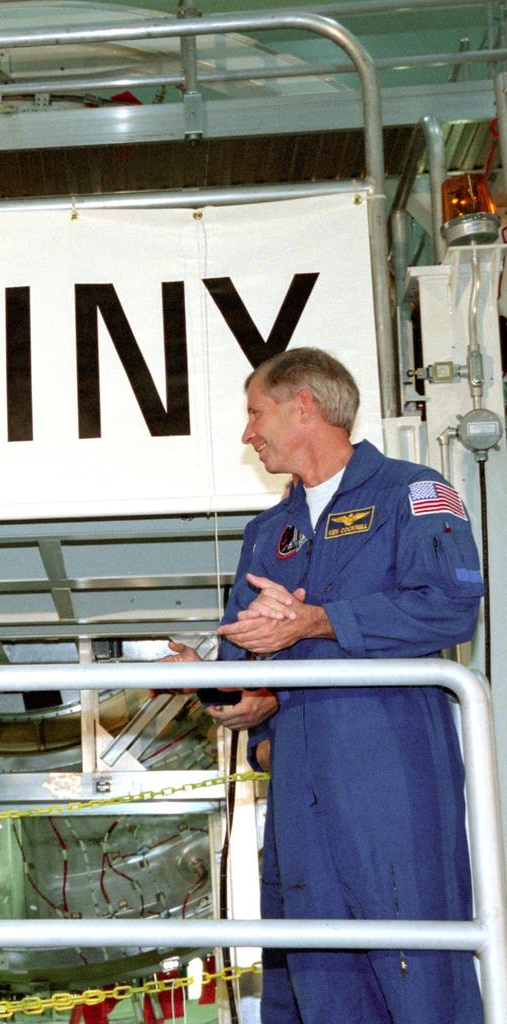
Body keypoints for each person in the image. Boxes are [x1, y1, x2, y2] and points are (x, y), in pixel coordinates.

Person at [168, 347, 485, 1024]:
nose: (248, 432)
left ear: (303, 405)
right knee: (313, 979)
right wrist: (222, 694)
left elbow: (452, 604)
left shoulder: (416, 492)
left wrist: (319, 620)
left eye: (257, 412)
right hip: (297, 790)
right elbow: (251, 681)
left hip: (391, 775)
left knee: (417, 967)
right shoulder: (265, 534)